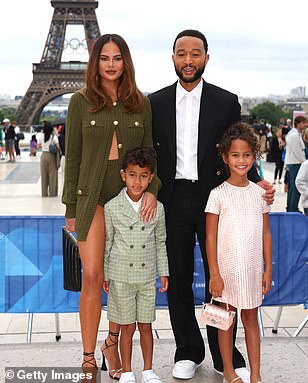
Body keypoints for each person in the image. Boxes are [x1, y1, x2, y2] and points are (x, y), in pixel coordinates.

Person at [148, 29, 274, 382]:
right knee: (179, 279)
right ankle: (187, 349)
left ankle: (224, 355)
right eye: (182, 53)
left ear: (206, 57)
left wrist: (259, 179)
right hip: (173, 199)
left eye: (195, 53)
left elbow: (240, 146)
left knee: (224, 279)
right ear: (172, 57)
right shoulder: (154, 102)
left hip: (216, 199)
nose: (188, 60)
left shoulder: (226, 101)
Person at [62, 34, 160, 378]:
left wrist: (153, 190)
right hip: (92, 200)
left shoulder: (140, 103)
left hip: (128, 202)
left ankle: (112, 341)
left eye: (117, 58)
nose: (111, 64)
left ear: (126, 61)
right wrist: (71, 208)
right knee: (92, 276)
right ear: (95, 62)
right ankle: (89, 355)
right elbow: (72, 156)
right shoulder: (79, 101)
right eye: (104, 58)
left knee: (121, 280)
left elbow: (150, 153)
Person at [205, 123, 272, 383]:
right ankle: (229, 372)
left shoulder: (260, 195)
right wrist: (214, 274)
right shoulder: (217, 195)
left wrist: (269, 269)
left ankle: (255, 374)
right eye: (235, 155)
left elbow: (266, 234)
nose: (241, 160)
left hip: (253, 268)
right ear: (225, 157)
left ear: (254, 157)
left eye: (246, 155)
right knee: (226, 319)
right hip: (226, 269)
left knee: (251, 318)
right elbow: (210, 237)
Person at [103, 147, 169, 383]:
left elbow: (160, 241)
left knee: (146, 326)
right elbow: (108, 243)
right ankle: (128, 370)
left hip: (146, 276)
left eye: (143, 176)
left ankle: (148, 370)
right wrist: (106, 275)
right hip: (121, 277)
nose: (137, 181)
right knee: (127, 327)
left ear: (150, 178)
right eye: (132, 175)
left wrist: (164, 272)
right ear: (123, 175)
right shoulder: (111, 208)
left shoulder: (157, 209)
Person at [284, 115, 307, 212]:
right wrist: (304, 162)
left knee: (293, 186)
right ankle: (292, 208)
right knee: (295, 187)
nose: (306, 125)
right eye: (304, 123)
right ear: (298, 123)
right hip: (296, 163)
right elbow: (297, 151)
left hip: (295, 162)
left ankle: (291, 207)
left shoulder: (295, 134)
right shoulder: (293, 135)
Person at [37, 121, 60, 197]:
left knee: (44, 175)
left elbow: (38, 146)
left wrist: (45, 146)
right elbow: (58, 147)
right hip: (51, 156)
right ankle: (53, 193)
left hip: (43, 156)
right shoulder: (54, 137)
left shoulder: (41, 136)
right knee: (52, 175)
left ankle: (44, 193)